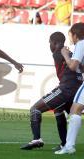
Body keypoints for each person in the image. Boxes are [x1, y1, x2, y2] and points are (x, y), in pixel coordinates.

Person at [20, 32, 83, 151]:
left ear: (55, 43)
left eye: (50, 43)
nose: (50, 45)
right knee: (59, 110)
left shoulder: (58, 53)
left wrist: (62, 50)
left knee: (35, 109)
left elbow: (62, 57)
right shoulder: (72, 54)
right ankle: (65, 144)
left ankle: (36, 139)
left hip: (66, 89)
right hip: (76, 90)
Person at [55, 23, 84, 155]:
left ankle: (69, 146)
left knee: (75, 110)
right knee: (75, 110)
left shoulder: (81, 44)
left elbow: (72, 66)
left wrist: (65, 54)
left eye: (70, 34)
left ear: (75, 34)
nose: (70, 37)